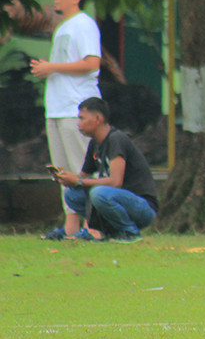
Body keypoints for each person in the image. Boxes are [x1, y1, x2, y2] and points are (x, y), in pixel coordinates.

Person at [33, 0, 102, 240]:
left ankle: (93, 226)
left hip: (76, 109)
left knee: (81, 170)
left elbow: (92, 63)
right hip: (57, 108)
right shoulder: (63, 27)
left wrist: (52, 68)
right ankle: (71, 228)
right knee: (62, 172)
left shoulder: (83, 25)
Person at [51, 97, 158, 242]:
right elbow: (83, 176)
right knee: (72, 194)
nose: (78, 124)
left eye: (82, 119)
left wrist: (79, 181)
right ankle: (107, 231)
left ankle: (130, 232)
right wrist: (67, 178)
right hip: (114, 199)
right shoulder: (95, 143)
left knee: (98, 192)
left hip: (141, 207)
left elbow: (115, 182)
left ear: (98, 118)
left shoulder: (116, 139)